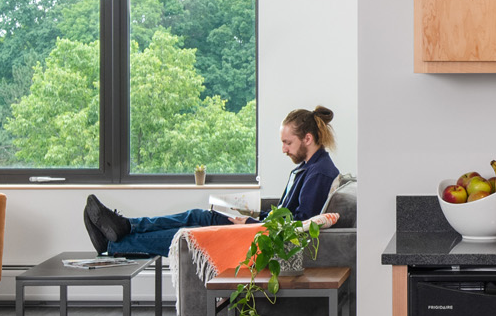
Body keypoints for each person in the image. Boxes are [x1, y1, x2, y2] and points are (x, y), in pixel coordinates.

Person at [84, 106, 344, 258]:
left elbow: (299, 225)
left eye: (288, 143)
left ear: (308, 139)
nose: (284, 150)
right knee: (199, 215)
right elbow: (286, 213)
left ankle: (115, 243)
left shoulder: (319, 173)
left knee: (188, 235)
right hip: (259, 227)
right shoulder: (308, 167)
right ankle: (127, 226)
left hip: (259, 238)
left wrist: (252, 222)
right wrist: (249, 213)